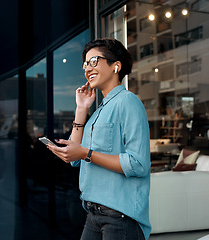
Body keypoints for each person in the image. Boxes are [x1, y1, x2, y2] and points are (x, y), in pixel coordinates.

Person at [47, 38, 151, 240]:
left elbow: (138, 164)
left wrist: (87, 153)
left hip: (120, 216)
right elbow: (75, 159)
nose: (87, 68)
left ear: (116, 66)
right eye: (85, 64)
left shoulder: (128, 102)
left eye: (93, 61)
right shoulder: (97, 113)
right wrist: (81, 108)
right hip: (94, 214)